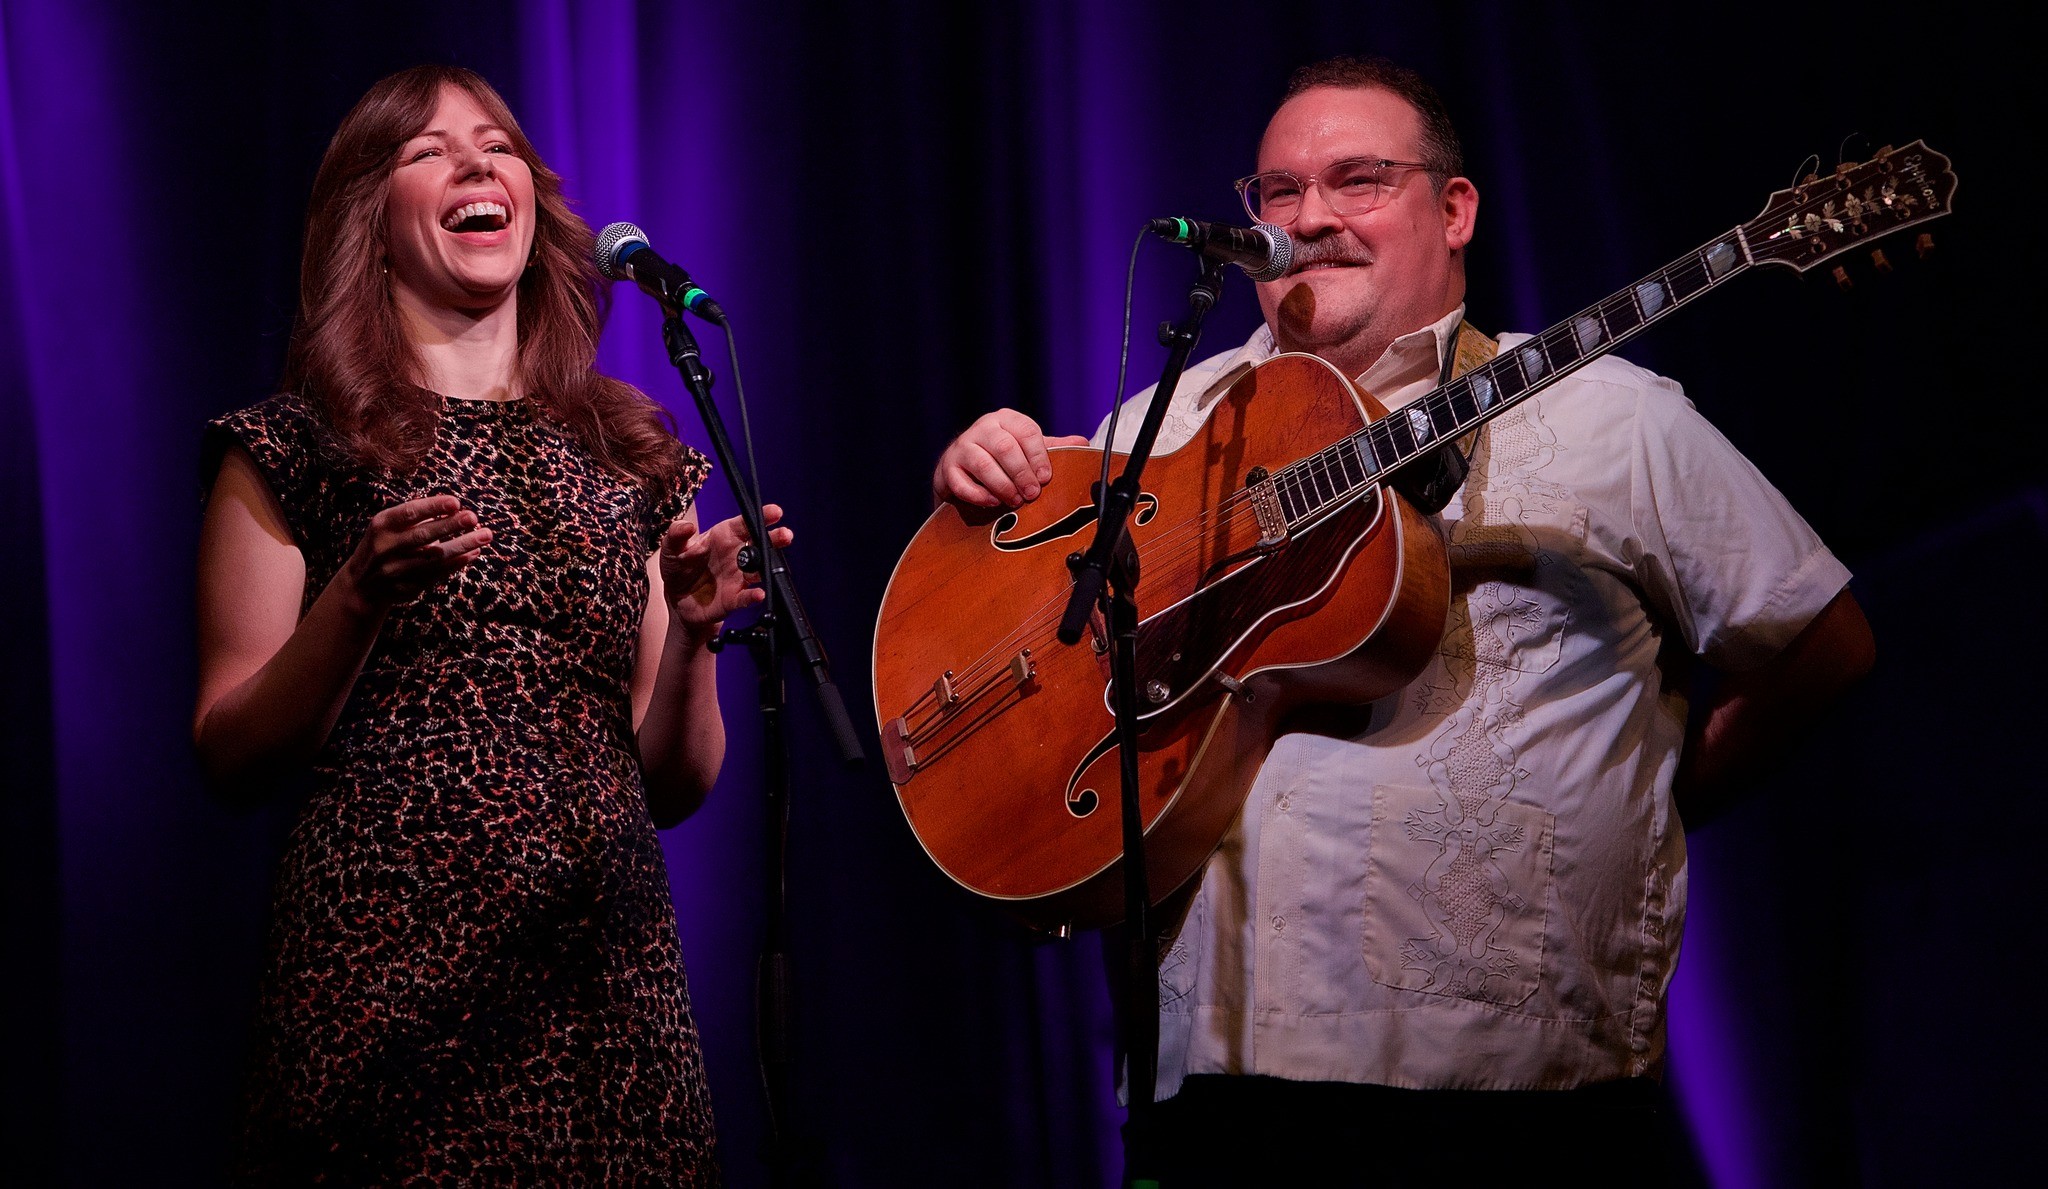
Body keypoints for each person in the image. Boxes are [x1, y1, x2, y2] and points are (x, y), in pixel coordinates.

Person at [932, 56, 1874, 1185]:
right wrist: (985, 497)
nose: (1310, 217)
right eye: (1278, 193)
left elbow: (1822, 643)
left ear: (1454, 208)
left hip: (1513, 1100)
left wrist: (1656, 797)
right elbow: (1049, 656)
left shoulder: (1613, 420)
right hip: (1212, 1102)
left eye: (1358, 179)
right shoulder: (1160, 422)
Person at [194, 65, 785, 1185]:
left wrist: (699, 636)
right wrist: (359, 596)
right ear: (368, 222)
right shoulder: (292, 445)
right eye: (426, 151)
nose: (473, 162)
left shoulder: (632, 448)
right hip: (385, 998)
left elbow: (669, 784)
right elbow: (228, 749)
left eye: (495, 144)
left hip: (607, 997)